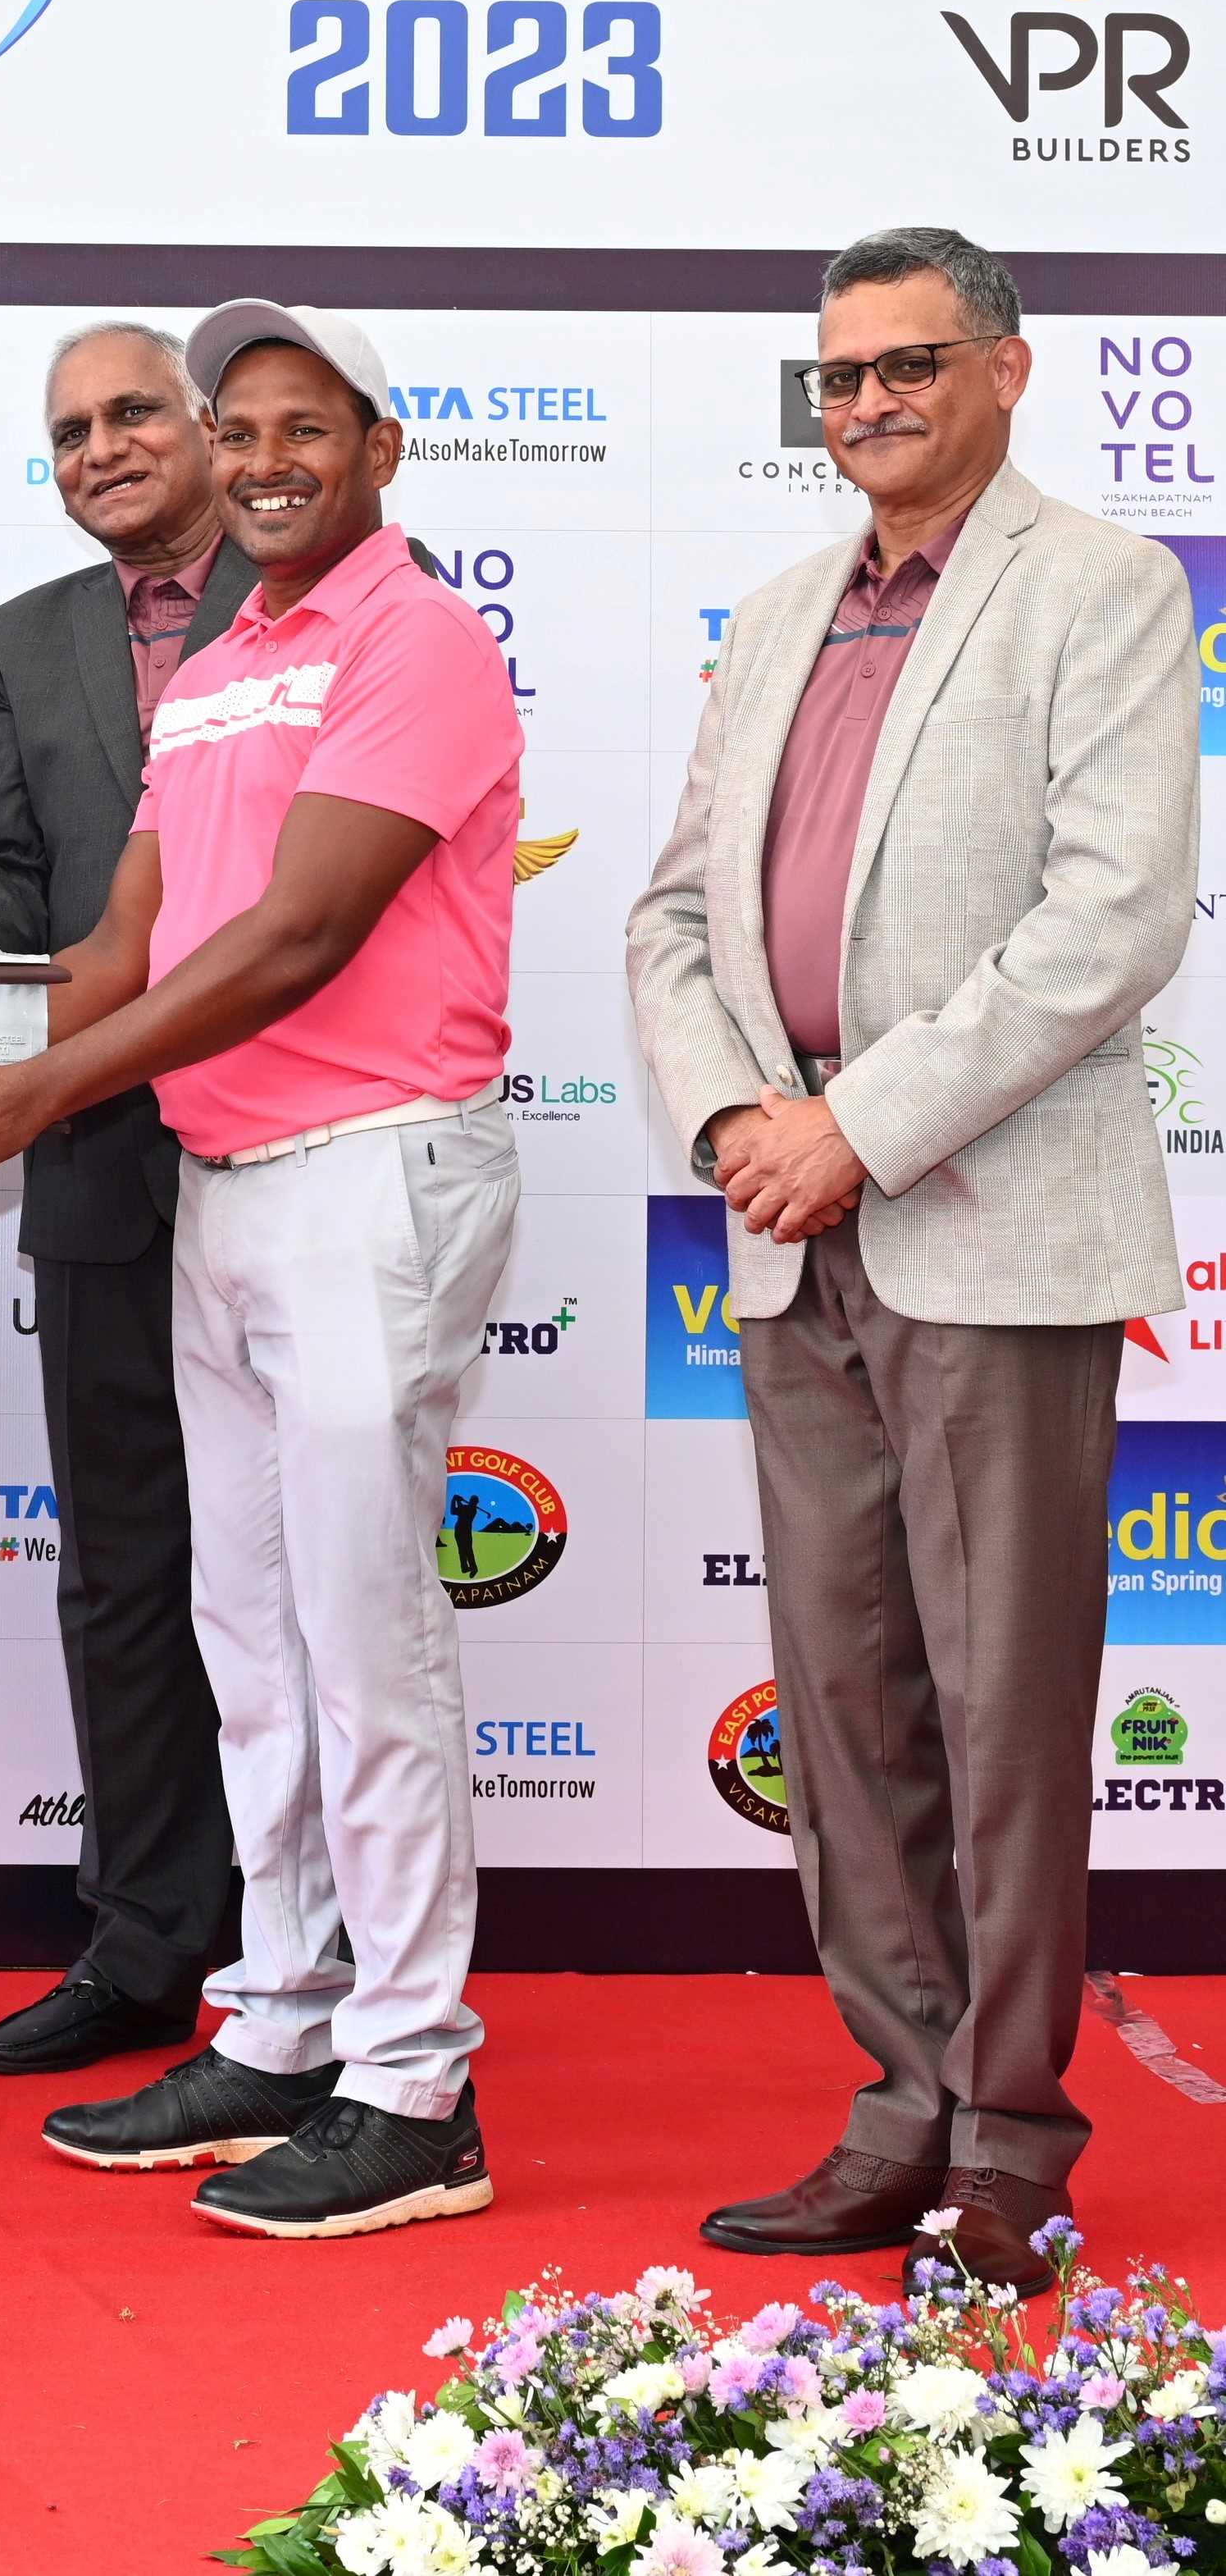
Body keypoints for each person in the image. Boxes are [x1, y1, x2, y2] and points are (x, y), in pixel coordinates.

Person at [0, 301, 522, 2240]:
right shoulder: (226, 662)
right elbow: (119, 948)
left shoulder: (413, 639)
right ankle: (280, 2015)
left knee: (363, 1640)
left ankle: (412, 2084)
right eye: (234, 427)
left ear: (376, 446)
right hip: (225, 1178)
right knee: (249, 1641)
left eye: (298, 427)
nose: (258, 460)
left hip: (367, 1169)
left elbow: (293, 937)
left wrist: (38, 1088)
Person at [627, 224, 1195, 2297]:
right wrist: (733, 1122)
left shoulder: (1102, 585)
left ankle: (1008, 2136)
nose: (862, 401)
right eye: (836, 374)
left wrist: (851, 1126)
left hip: (982, 1217)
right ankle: (896, 2103)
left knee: (999, 1706)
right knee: (845, 1698)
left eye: (904, 364)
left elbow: (1110, 916)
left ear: (1002, 369)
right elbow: (670, 914)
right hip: (788, 1226)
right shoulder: (782, 609)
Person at [0, 322, 248, 2081]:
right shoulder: (26, 633)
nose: (101, 448)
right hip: (97, 1154)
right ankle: (141, 1942)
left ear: (206, 427)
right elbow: (4, 873)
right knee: (124, 1569)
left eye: (132, 413)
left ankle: (329, 1950)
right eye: (68, 431)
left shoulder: (329, 592)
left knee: (311, 1574)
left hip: (301, 1134)